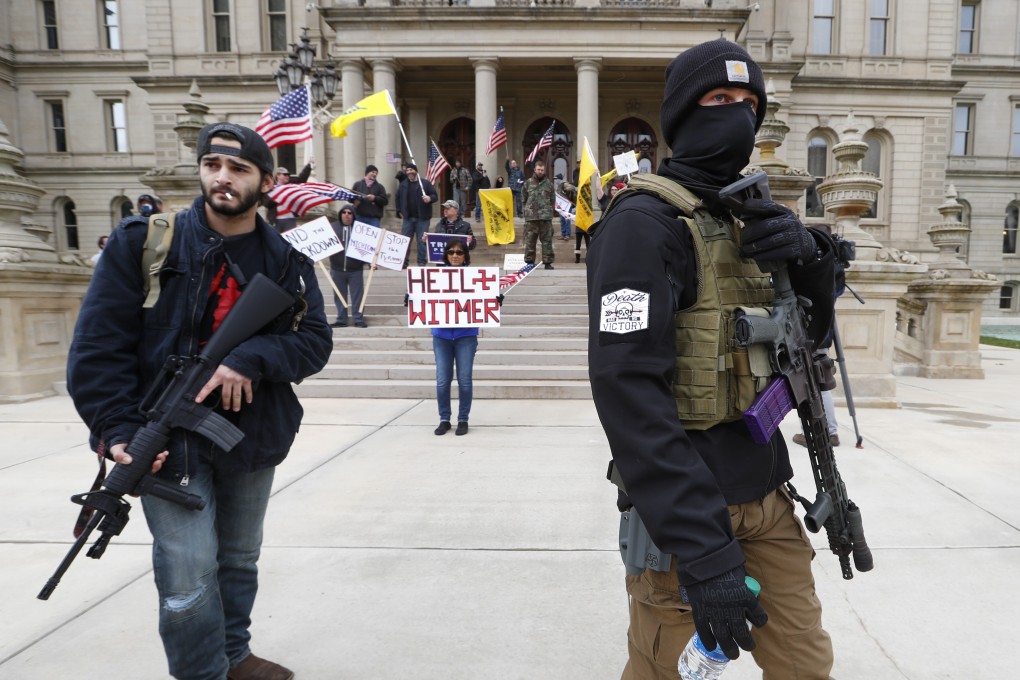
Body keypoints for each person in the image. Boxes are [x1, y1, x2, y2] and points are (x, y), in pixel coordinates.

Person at [586, 39, 839, 680]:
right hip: (685, 513)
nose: (738, 116)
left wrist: (810, 268)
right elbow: (627, 392)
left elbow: (804, 353)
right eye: (720, 99)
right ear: (681, 114)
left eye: (750, 103)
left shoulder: (748, 218)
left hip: (767, 494)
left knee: (805, 664)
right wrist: (703, 550)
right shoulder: (642, 223)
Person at [66, 122, 333, 680]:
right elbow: (97, 347)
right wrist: (116, 430)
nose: (223, 178)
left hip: (251, 436)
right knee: (187, 578)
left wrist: (251, 357)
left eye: (238, 169)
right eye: (213, 165)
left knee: (238, 560)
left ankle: (233, 656)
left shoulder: (285, 259)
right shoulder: (145, 241)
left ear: (266, 180)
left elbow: (314, 343)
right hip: (163, 441)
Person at [431, 238, 478, 437]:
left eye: (459, 252)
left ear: (465, 255)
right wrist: (413, 297)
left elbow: (483, 300)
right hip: (441, 335)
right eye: (451, 252)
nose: (455, 256)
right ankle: (444, 419)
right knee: (443, 380)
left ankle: (463, 419)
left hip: (466, 334)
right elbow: (426, 298)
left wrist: (494, 299)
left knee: (464, 379)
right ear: (446, 256)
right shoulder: (434, 276)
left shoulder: (475, 276)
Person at [329, 203, 372, 328]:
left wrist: (371, 262)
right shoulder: (332, 227)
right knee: (339, 296)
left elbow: (369, 247)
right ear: (340, 214)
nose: (346, 215)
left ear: (353, 215)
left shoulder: (361, 230)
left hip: (355, 270)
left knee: (357, 296)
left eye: (349, 213)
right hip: (337, 269)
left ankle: (358, 319)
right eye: (344, 212)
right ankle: (341, 319)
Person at [395, 163, 439, 266]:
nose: (409, 172)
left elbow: (435, 195)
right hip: (408, 218)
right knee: (405, 241)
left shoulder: (425, 183)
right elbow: (397, 198)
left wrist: (429, 198)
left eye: (411, 170)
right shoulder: (403, 185)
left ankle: (421, 262)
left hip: (422, 218)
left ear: (416, 171)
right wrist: (399, 211)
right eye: (408, 170)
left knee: (422, 242)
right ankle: (404, 263)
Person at [521, 159, 556, 270]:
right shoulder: (528, 183)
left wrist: (548, 211)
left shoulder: (549, 185)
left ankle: (547, 262)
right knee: (530, 241)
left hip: (545, 218)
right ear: (535, 170)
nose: (540, 171)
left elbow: (552, 200)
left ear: (544, 170)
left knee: (547, 241)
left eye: (542, 170)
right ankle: (529, 262)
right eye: (538, 169)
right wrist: (528, 210)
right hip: (531, 218)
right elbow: (523, 198)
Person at [265, 161, 313, 230]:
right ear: (278, 175)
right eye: (285, 174)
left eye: (288, 175)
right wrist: (277, 197)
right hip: (275, 220)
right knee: (276, 239)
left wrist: (308, 166)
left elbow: (301, 179)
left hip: (289, 219)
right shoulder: (272, 188)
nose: (287, 176)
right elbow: (266, 203)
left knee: (289, 240)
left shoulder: (290, 185)